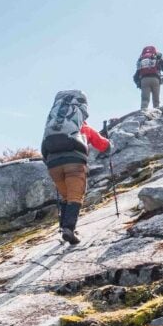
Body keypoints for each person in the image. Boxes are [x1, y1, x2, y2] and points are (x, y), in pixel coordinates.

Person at [41, 90, 111, 245]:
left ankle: (65, 227)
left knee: (66, 196)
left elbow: (44, 147)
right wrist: (108, 141)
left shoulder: (53, 126)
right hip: (74, 162)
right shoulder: (82, 127)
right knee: (75, 196)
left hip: (53, 165)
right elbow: (102, 145)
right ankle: (69, 229)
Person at [134, 45, 163, 110]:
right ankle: (156, 111)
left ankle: (143, 111)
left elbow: (135, 77)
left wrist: (138, 84)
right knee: (156, 100)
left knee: (145, 99)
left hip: (144, 80)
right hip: (155, 79)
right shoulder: (156, 57)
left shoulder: (141, 60)